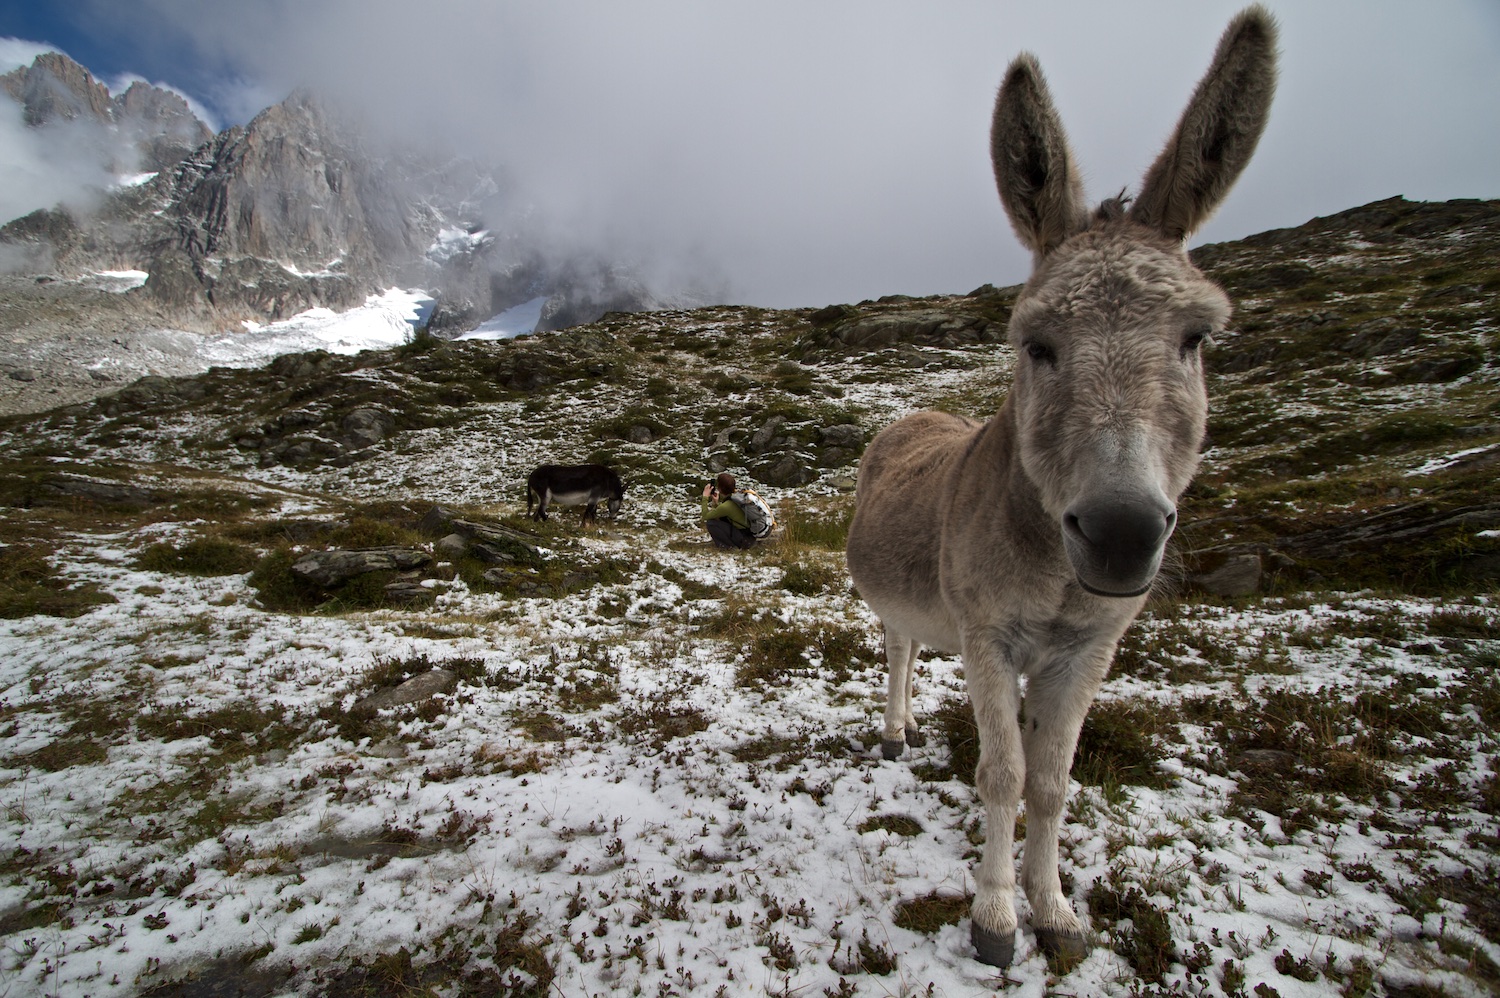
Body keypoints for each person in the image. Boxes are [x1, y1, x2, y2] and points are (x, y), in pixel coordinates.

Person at [701, 472, 756, 549]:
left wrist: (705, 496)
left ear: (720, 488)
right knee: (721, 519)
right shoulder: (738, 497)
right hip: (750, 536)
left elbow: (705, 516)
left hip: (744, 539)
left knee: (711, 523)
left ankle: (728, 547)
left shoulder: (727, 505)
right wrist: (716, 503)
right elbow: (725, 511)